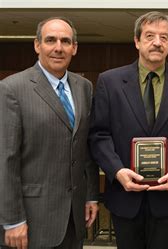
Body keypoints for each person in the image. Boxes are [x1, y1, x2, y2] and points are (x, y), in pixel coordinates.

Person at [88, 11, 168, 249]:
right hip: (125, 196)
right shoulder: (109, 82)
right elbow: (99, 135)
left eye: (164, 37)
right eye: (150, 36)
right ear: (137, 41)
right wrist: (117, 171)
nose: (157, 42)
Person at [0, 17, 99, 249]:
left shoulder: (84, 87)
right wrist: (12, 220)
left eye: (65, 41)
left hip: (74, 220)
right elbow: (5, 160)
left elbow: (85, 148)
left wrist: (91, 195)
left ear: (74, 48)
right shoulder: (12, 89)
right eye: (50, 40)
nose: (58, 47)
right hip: (31, 221)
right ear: (37, 45)